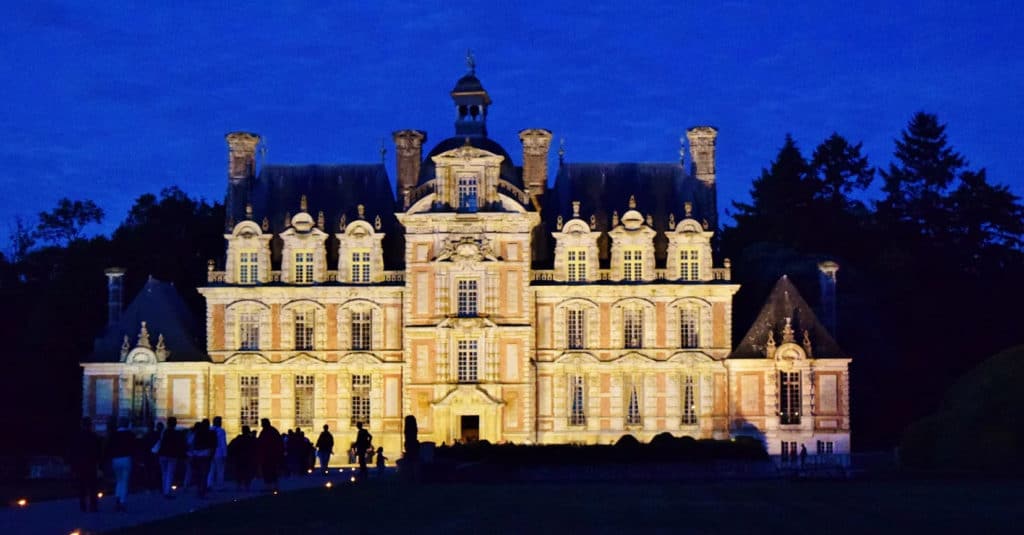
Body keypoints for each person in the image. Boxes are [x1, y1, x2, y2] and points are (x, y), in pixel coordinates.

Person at [70, 417, 102, 512]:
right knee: (92, 486)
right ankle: (93, 505)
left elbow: (73, 451)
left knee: (82, 486)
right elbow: (98, 451)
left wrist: (74, 464)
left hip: (80, 464)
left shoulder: (77, 437)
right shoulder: (94, 437)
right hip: (91, 464)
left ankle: (83, 505)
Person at [106, 417, 136, 512]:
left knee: (118, 480)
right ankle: (122, 501)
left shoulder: (113, 435)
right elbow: (134, 448)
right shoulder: (130, 435)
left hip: (115, 459)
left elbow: (109, 447)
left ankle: (117, 499)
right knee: (124, 481)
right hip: (126, 458)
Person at [157, 417, 186, 499]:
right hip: (172, 455)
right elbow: (178, 444)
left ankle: (164, 489)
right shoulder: (176, 433)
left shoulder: (164, 432)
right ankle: (167, 492)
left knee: (164, 473)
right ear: (175, 424)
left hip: (162, 454)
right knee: (170, 473)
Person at [191, 420, 215, 498]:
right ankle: (202, 492)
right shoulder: (211, 433)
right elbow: (213, 446)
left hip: (197, 455)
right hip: (206, 455)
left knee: (199, 474)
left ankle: (199, 490)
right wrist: (211, 455)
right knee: (204, 474)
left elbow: (193, 444)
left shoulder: (198, 433)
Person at [228, 425, 257, 491]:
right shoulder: (251, 439)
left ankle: (239, 486)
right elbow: (256, 448)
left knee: (239, 472)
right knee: (248, 472)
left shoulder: (238, 438)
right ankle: (247, 486)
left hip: (240, 458)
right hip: (248, 458)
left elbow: (231, 447)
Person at [258, 418, 283, 491]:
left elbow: (260, 443)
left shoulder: (265, 432)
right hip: (271, 455)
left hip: (268, 455)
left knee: (268, 471)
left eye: (262, 423)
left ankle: (270, 486)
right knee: (272, 471)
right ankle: (273, 486)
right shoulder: (273, 431)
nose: (261, 425)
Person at [207, 416, 228, 491]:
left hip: (210, 452)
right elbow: (223, 443)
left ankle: (209, 484)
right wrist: (225, 454)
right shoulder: (221, 431)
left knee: (211, 470)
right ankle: (220, 485)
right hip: (219, 453)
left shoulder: (209, 429)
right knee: (220, 470)